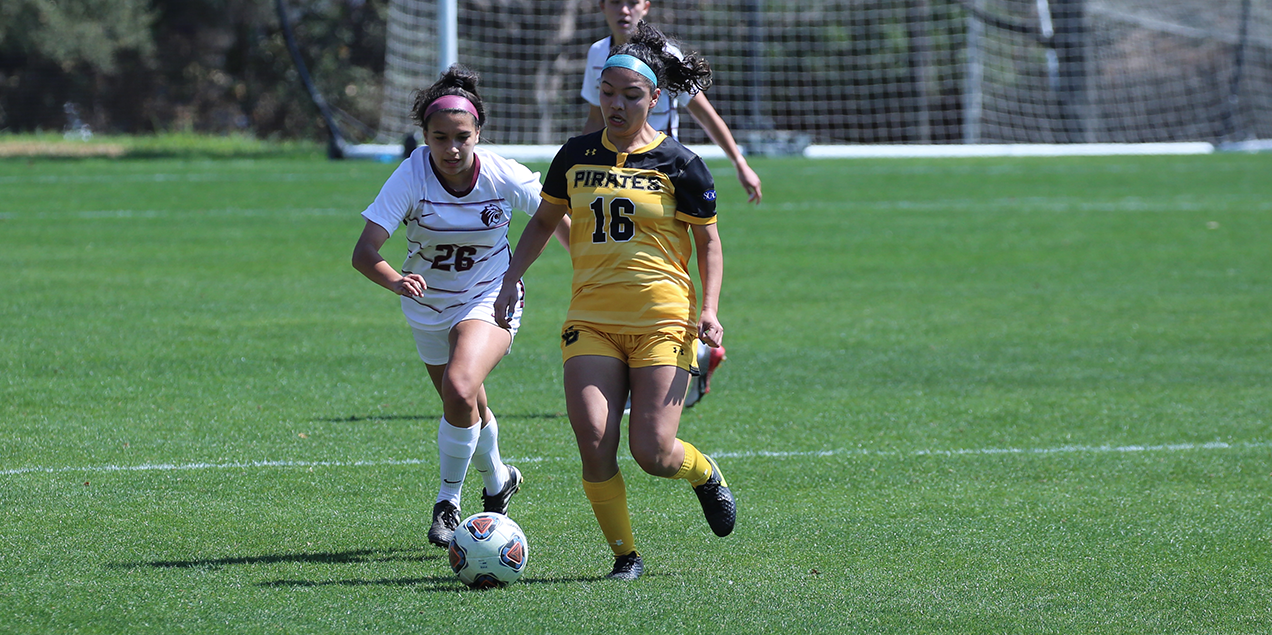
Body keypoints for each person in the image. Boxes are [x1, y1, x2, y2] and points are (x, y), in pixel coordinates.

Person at [495, 22, 735, 581]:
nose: (617, 105)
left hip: (662, 320)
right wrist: (510, 277)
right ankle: (625, 556)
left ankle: (704, 475)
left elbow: (709, 241)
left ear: (656, 98)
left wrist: (709, 310)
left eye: (631, 96)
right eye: (608, 93)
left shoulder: (681, 163)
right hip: (592, 321)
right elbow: (543, 222)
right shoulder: (575, 155)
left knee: (653, 452)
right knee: (595, 441)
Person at [351, 65, 570, 549]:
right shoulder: (411, 175)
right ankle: (499, 479)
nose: (451, 149)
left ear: (479, 134)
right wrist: (396, 280)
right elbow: (364, 253)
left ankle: (447, 502)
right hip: (427, 306)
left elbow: (556, 214)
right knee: (462, 401)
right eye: (440, 137)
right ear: (424, 136)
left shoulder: (499, 173)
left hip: (490, 294)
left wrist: (590, 269)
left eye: (462, 137)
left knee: (459, 384)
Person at [582, 0, 748, 407]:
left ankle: (686, 347)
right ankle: (634, 360)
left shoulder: (665, 57)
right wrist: (575, 164)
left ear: (646, 6)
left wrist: (739, 162)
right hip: (614, 177)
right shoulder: (597, 53)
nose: (623, 10)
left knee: (663, 269)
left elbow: (705, 114)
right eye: (614, 1)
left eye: (632, 1)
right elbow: (592, 119)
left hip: (662, 181)